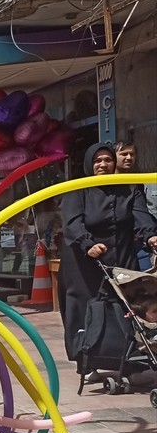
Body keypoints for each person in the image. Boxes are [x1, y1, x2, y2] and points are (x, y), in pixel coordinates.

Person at [60, 142, 157, 364]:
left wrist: (150, 235)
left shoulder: (128, 187)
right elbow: (72, 223)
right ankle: (88, 360)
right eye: (97, 161)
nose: (103, 164)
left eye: (108, 160)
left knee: (126, 305)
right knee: (86, 308)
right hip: (84, 261)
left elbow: (140, 215)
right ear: (89, 164)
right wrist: (88, 244)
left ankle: (126, 357)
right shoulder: (77, 188)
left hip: (121, 256)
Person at [117, 141, 156, 271]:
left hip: (141, 245)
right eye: (124, 154)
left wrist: (150, 235)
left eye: (132, 154)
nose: (129, 157)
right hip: (115, 246)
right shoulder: (102, 184)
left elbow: (141, 211)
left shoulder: (140, 181)